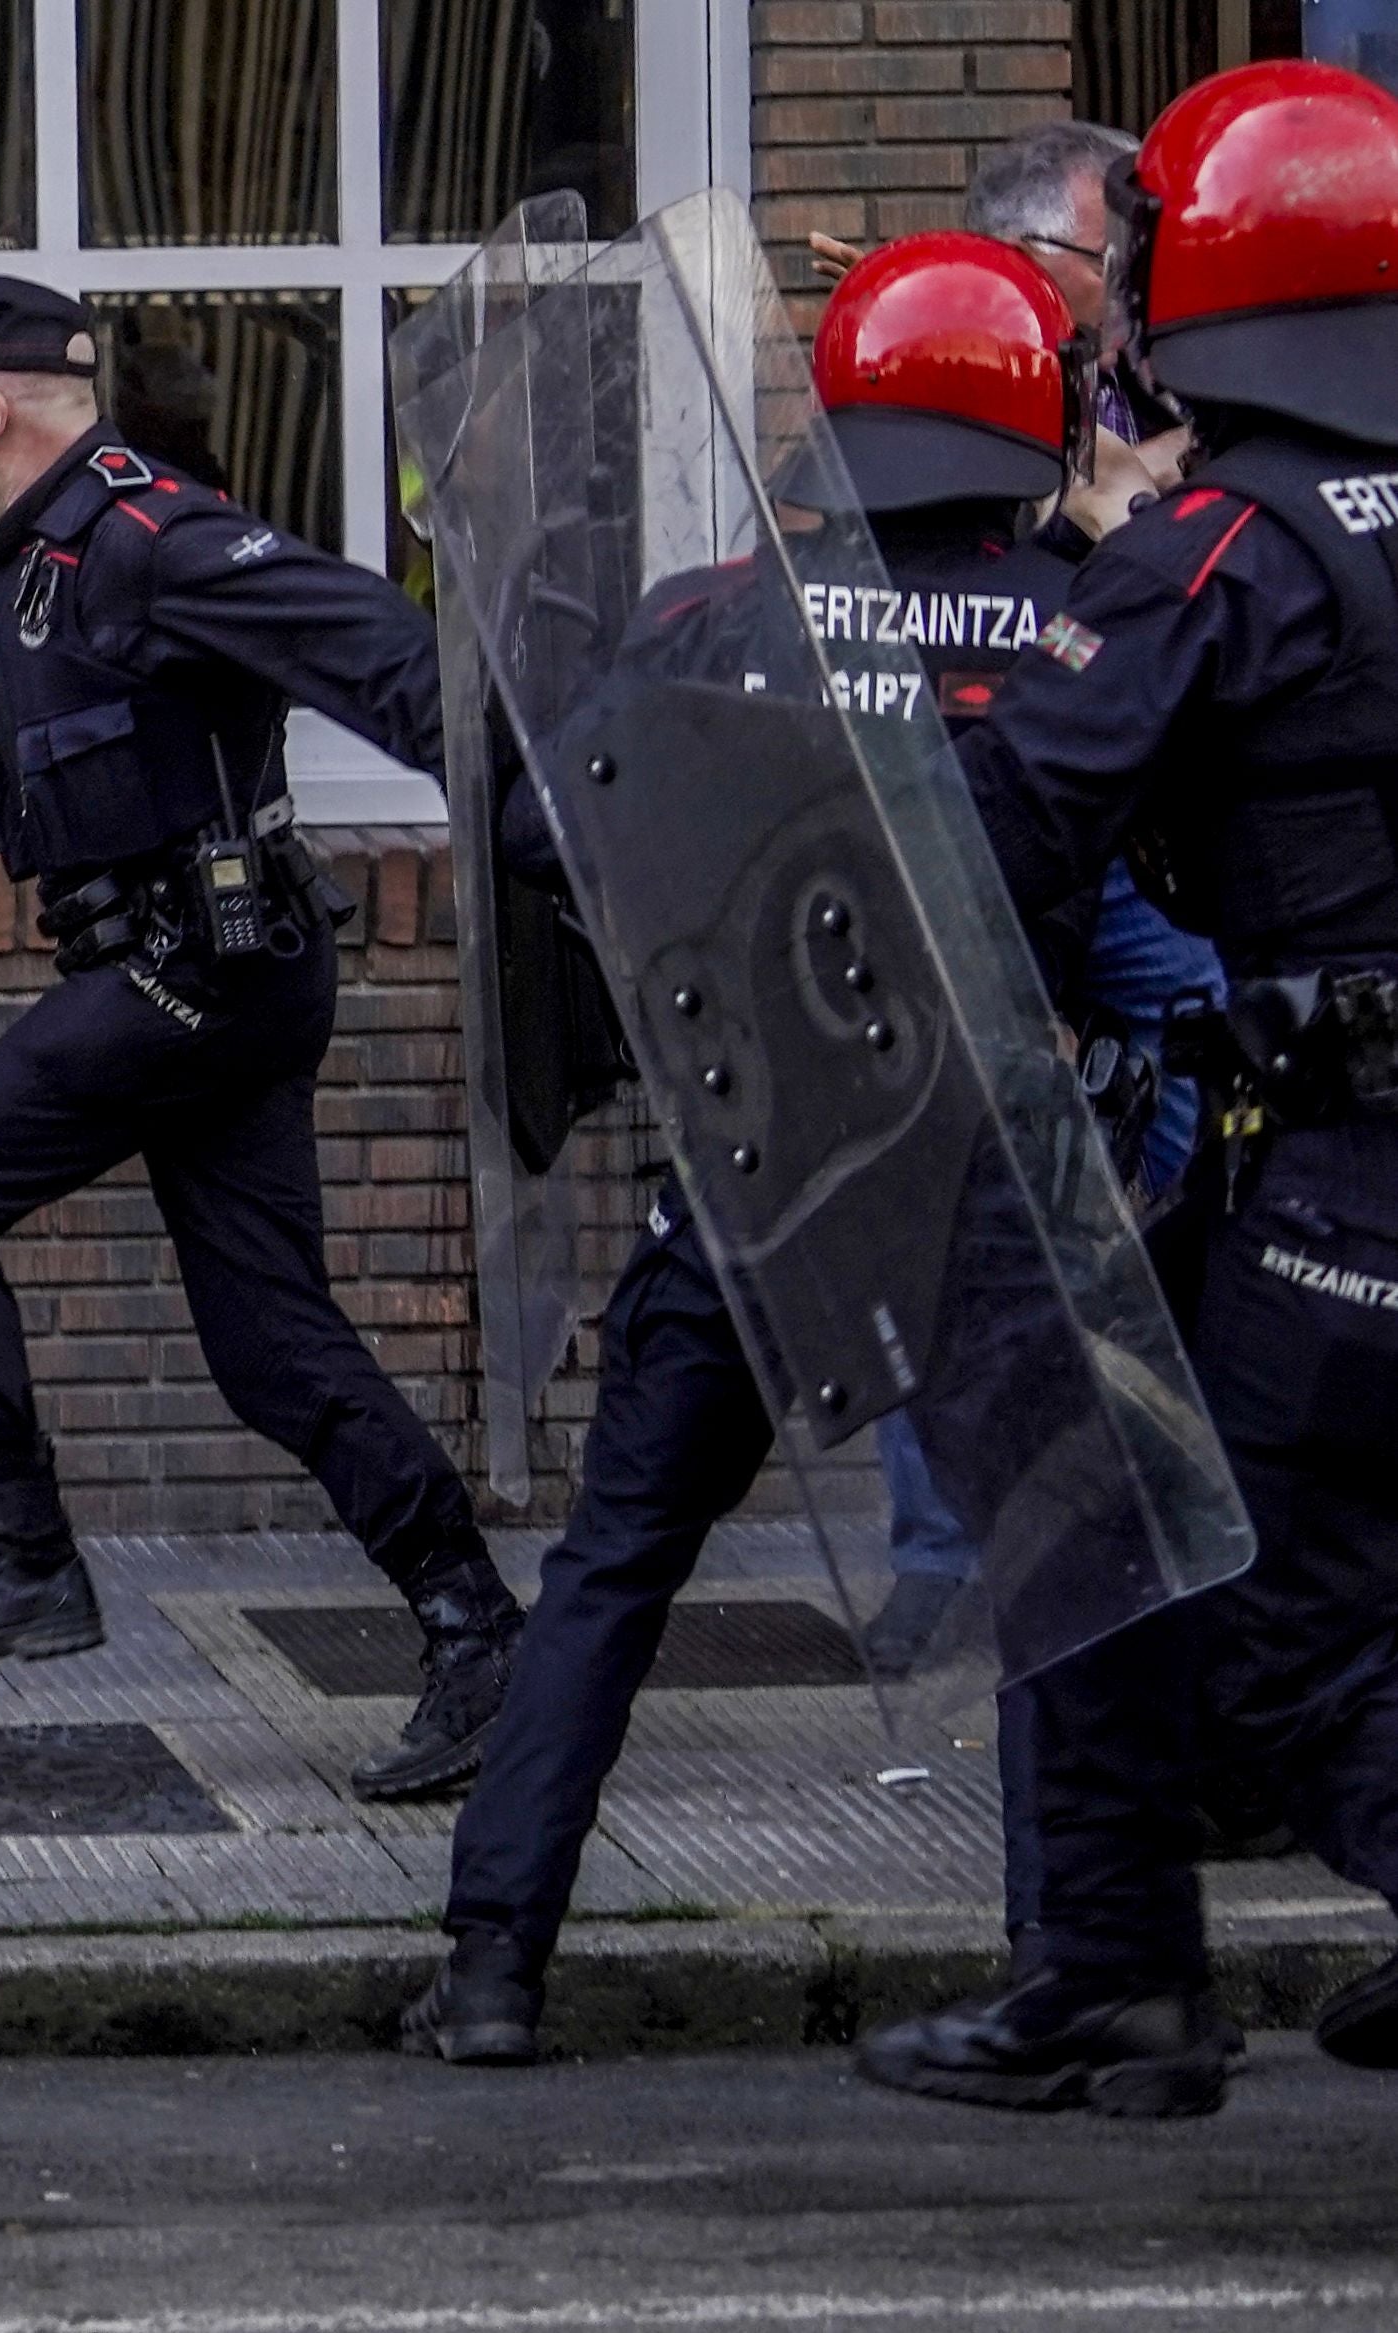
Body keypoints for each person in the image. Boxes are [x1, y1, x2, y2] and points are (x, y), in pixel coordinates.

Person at [406, 236, 1109, 2066]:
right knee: (1051, 1582)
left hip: (753, 1173)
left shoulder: (721, 612)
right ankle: (1068, 1958)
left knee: (617, 1564)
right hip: (988, 1181)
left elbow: (558, 832)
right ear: (1036, 410)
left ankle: (491, 1962)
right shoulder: (1079, 627)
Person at [862, 58, 1398, 2117]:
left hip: (1332, 1184)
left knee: (1259, 1618)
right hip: (1323, 1168)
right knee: (1102, 1511)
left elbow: (1007, 831)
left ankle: (1111, 1968)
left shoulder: (1220, 555)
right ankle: (1110, 1970)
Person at [0, 276, 521, 1803]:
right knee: (270, 1351)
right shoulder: (18, 565)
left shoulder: (148, 536)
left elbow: (381, 652)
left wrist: (539, 800)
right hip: (194, 976)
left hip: (197, 971)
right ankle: (477, 1631)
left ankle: (23, 1561)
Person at [848, 119, 1229, 1680]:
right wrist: (1095, 518)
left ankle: (1142, 1387)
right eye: (1103, 255)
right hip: (983, 804)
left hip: (1102, 823)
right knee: (924, 1173)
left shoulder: (1114, 376)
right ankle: (949, 1547)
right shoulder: (952, 353)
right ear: (1030, 256)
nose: (1122, 284)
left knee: (1206, 1064)